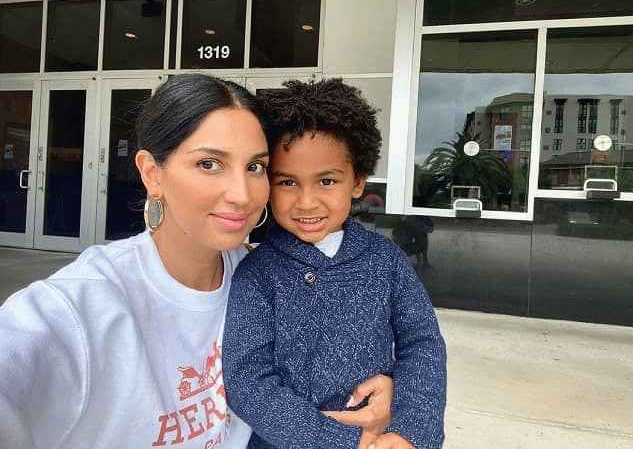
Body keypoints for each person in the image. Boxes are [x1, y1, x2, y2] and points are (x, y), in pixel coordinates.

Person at [0, 74, 393, 449]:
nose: (241, 194)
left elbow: (338, 357)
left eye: (255, 167)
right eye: (209, 163)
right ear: (152, 173)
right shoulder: (77, 308)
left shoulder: (270, 274)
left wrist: (385, 387)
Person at [222, 79, 447, 449]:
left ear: (357, 181)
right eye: (288, 182)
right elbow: (247, 380)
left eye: (326, 181)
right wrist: (336, 439)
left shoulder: (385, 260)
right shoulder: (257, 274)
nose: (307, 202)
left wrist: (410, 430)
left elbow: (422, 344)